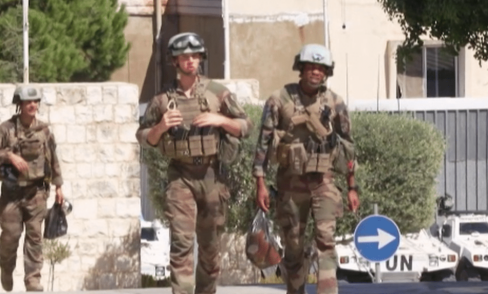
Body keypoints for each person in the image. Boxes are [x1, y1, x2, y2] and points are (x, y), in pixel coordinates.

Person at [136, 32, 253, 294]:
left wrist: (220, 120)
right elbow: (143, 137)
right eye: (184, 56)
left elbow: (246, 125)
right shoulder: (162, 99)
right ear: (174, 61)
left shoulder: (217, 93)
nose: (190, 61)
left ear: (201, 58)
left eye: (195, 55)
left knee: (211, 250)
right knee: (181, 243)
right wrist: (160, 127)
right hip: (181, 176)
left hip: (212, 176)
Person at [253, 44, 360, 294]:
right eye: (310, 67)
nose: (315, 72)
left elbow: (348, 147)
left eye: (320, 68)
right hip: (290, 183)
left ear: (326, 73)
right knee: (294, 246)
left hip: (324, 182)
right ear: (301, 69)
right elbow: (263, 143)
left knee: (326, 243)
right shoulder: (279, 100)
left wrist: (352, 187)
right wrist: (260, 183)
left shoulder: (335, 103)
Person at [0, 84, 64, 292]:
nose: (32, 105)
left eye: (35, 101)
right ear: (19, 105)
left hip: (36, 193)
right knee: (10, 237)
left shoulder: (44, 131)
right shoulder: (6, 129)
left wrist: (58, 187)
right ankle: (6, 268)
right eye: (28, 101)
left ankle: (33, 280)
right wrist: (9, 155)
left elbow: (54, 158)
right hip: (11, 194)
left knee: (35, 238)